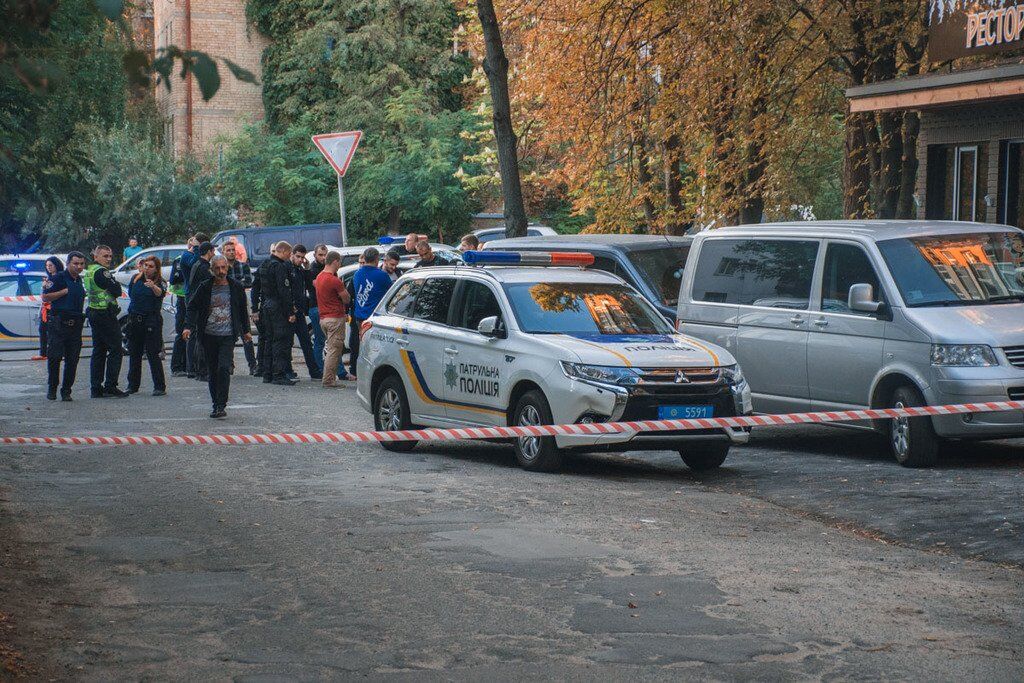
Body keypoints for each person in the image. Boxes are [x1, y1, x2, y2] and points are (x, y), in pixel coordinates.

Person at [183, 255, 253, 418]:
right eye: (217, 268)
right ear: (211, 270)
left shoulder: (235, 286)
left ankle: (221, 404)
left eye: (223, 267)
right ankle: (216, 404)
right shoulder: (205, 287)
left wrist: (246, 331)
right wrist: (188, 327)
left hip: (228, 335)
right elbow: (192, 307)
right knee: (213, 371)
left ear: (227, 267)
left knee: (223, 368)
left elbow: (242, 309)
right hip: (208, 335)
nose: (221, 271)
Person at [83, 245, 128, 399]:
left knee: (99, 350)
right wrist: (115, 284)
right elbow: (116, 291)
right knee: (116, 349)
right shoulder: (102, 272)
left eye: (110, 256)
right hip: (104, 315)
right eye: (105, 256)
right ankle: (110, 385)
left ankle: (96, 387)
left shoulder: (90, 271)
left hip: (95, 312)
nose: (109, 259)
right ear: (96, 256)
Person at [41, 252, 87, 401]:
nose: (79, 266)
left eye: (81, 264)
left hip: (75, 325)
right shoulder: (58, 277)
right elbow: (45, 296)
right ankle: (52, 388)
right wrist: (63, 292)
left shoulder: (79, 280)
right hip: (59, 323)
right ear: (68, 263)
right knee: (54, 358)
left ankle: (66, 390)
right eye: (75, 263)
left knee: (72, 360)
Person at [255, 241, 297, 386]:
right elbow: (283, 291)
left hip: (266, 306)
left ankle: (267, 373)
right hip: (277, 307)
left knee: (268, 340)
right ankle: (278, 374)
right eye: (289, 253)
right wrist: (290, 312)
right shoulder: (279, 266)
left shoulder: (265, 264)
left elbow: (258, 286)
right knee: (280, 341)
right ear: (283, 251)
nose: (289, 256)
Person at [349, 247, 393, 379]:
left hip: (359, 317)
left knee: (362, 347)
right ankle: (373, 375)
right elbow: (392, 294)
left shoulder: (357, 274)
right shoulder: (382, 275)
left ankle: (360, 372)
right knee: (376, 349)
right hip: (374, 318)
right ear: (376, 259)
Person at [126, 256, 167, 396]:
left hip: (151, 321)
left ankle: (159, 386)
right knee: (134, 353)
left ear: (156, 269)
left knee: (152, 353)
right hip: (135, 319)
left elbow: (160, 293)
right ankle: (132, 385)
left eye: (150, 266)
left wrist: (153, 286)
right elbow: (132, 295)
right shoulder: (135, 279)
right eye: (145, 265)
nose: (147, 268)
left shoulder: (160, 282)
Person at [313, 251, 352, 388]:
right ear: (335, 261)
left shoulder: (319, 277)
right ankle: (328, 380)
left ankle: (329, 378)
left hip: (323, 318)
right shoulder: (334, 280)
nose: (340, 265)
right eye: (339, 262)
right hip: (335, 318)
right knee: (334, 351)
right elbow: (346, 298)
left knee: (330, 349)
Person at [223, 240, 258, 375]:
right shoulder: (222, 267)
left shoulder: (243, 266)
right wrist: (238, 283)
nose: (231, 252)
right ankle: (229, 365)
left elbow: (248, 282)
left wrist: (233, 284)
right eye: (228, 250)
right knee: (229, 336)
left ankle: (252, 365)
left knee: (246, 334)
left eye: (233, 250)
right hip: (226, 305)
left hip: (240, 303)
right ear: (224, 252)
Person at [287, 244, 321, 380]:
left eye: (302, 257)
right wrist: (290, 308)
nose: (301, 260)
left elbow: (308, 285)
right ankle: (287, 370)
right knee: (287, 343)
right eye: (298, 257)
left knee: (306, 342)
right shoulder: (286, 269)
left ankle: (314, 371)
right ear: (292, 255)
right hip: (290, 311)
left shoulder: (300, 270)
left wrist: (306, 269)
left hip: (299, 312)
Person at [186, 242, 215, 381]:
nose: (214, 254)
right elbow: (209, 286)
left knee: (198, 338)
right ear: (209, 251)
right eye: (213, 251)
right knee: (202, 339)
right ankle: (202, 371)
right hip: (201, 307)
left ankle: (197, 369)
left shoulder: (197, 264)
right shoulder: (204, 267)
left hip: (195, 305)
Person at [32, 256, 65, 361]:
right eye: (47, 265)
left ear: (57, 265)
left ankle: (46, 353)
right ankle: (46, 353)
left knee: (48, 330)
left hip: (53, 308)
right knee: (44, 330)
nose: (48, 267)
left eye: (51, 265)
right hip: (47, 309)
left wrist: (45, 287)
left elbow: (46, 294)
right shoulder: (54, 277)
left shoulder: (56, 278)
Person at [308, 243, 329, 372]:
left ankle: (322, 369)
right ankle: (319, 369)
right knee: (320, 341)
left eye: (325, 254)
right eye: (320, 255)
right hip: (317, 307)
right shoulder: (313, 270)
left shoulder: (327, 268)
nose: (323, 257)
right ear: (315, 255)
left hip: (325, 308)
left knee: (325, 341)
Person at [167, 251, 188, 376]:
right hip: (182, 299)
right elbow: (174, 279)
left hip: (188, 298)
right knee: (181, 334)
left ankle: (186, 366)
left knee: (188, 334)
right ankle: (177, 367)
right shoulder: (181, 259)